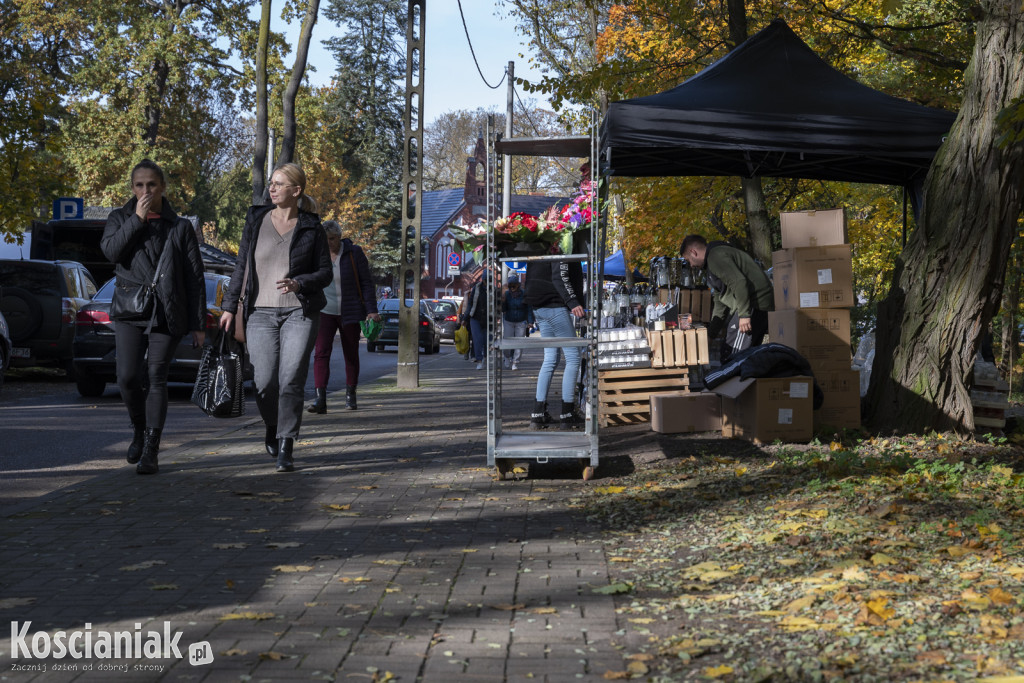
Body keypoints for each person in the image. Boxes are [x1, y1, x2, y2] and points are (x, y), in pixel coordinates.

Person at [220, 163, 331, 473]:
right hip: (260, 313)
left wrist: (300, 283)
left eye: (279, 184)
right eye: (271, 183)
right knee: (265, 382)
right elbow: (241, 266)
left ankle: (286, 444)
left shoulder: (311, 226)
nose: (272, 188)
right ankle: (272, 426)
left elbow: (325, 273)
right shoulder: (256, 221)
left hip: (300, 311)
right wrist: (229, 307)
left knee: (291, 379)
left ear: (295, 191)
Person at [100, 159, 207, 475]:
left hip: (167, 310)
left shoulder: (180, 226)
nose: (145, 190)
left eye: (151, 185)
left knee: (157, 375)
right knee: (128, 377)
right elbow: (111, 253)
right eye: (139, 185)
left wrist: (199, 324)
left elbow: (194, 277)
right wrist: (137, 219)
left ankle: (151, 448)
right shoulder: (120, 217)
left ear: (162, 187)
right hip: (130, 309)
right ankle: (138, 428)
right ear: (132, 188)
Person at [306, 220, 380, 414]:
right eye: (324, 239)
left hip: (350, 311)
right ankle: (320, 399)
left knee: (351, 353)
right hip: (324, 311)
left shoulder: (354, 253)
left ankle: (350, 396)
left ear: (339, 237)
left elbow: (366, 283)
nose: (328, 243)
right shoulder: (317, 255)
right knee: (321, 353)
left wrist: (372, 310)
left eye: (331, 239)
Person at [679, 234, 773, 363]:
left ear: (693, 252)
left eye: (688, 260)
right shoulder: (713, 264)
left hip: (754, 304)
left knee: (732, 356)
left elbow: (739, 282)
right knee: (742, 356)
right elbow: (720, 303)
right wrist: (711, 334)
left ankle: (734, 382)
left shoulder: (716, 257)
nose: (691, 265)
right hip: (751, 305)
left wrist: (744, 315)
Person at [525, 250, 585, 430]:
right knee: (573, 357)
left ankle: (538, 413)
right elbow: (561, 277)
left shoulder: (541, 243)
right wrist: (573, 302)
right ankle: (567, 413)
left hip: (539, 306)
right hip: (555, 306)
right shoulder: (560, 245)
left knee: (550, 359)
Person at [501, 272, 532, 370]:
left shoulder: (524, 294)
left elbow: (529, 308)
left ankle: (515, 362)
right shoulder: (506, 294)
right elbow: (503, 309)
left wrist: (530, 321)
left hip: (521, 321)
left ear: (518, 285)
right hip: (508, 320)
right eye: (510, 286)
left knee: (519, 343)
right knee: (507, 341)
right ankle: (506, 357)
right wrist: (502, 301)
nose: (512, 288)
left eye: (514, 286)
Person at [461, 274, 490, 370]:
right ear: (483, 280)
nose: (486, 282)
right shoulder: (476, 288)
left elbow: (497, 303)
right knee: (477, 340)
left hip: (488, 318)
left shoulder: (493, 289)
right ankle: (479, 360)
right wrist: (465, 318)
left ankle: (485, 357)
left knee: (487, 340)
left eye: (488, 280)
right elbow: (470, 304)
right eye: (485, 280)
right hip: (475, 317)